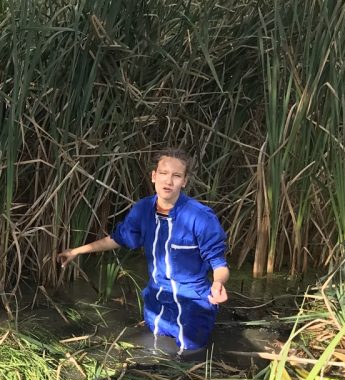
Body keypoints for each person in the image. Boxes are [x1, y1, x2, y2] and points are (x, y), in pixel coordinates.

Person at [58, 148, 229, 355]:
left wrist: (218, 284)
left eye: (176, 176)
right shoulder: (143, 210)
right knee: (154, 352)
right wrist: (76, 251)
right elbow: (117, 238)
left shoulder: (201, 217)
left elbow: (219, 264)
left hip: (193, 303)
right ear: (154, 176)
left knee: (190, 356)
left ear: (184, 181)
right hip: (156, 300)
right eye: (164, 173)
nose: (168, 181)